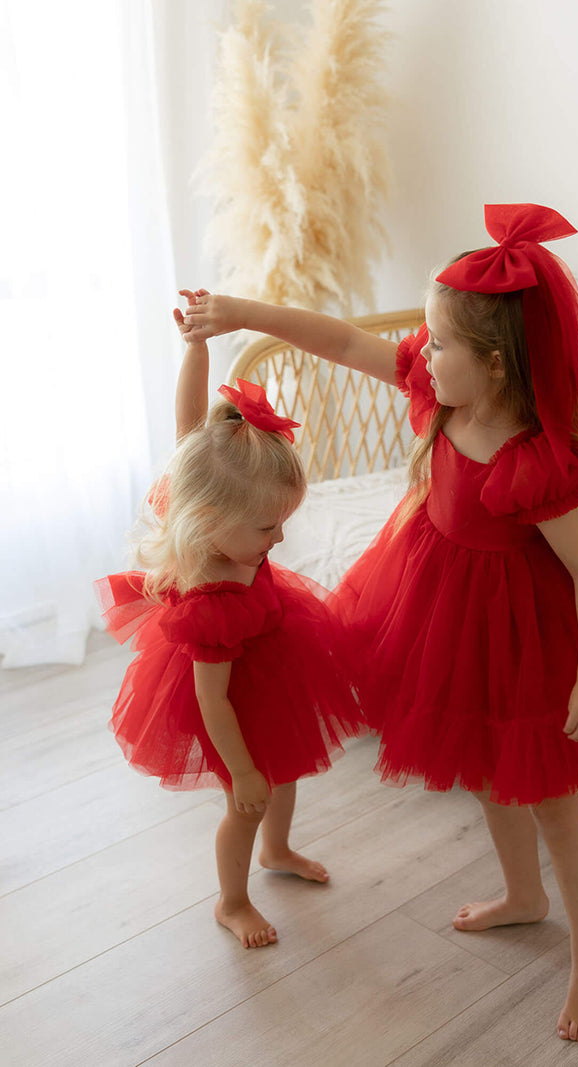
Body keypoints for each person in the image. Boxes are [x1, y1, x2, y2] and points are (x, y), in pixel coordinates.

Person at [179, 205, 578, 1040]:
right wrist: (243, 312)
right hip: (442, 602)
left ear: (492, 366)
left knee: (554, 802)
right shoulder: (442, 397)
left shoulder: (534, 459)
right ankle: (523, 896)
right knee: (489, 771)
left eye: (440, 342)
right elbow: (345, 343)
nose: (422, 352)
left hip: (530, 633)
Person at [95, 291, 364, 949]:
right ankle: (232, 899)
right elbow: (211, 701)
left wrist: (195, 347)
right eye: (269, 527)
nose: (279, 540)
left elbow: (190, 427)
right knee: (248, 799)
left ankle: (280, 849)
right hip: (226, 700)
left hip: (271, 661)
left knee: (290, 767)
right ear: (209, 524)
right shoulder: (210, 594)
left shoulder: (210, 490)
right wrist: (242, 770)